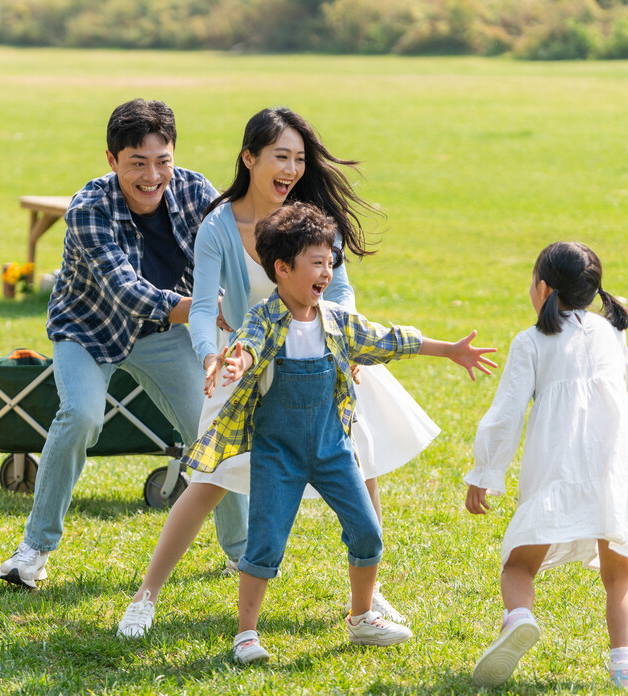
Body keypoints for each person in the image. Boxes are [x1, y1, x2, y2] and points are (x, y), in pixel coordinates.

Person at [117, 107, 439, 638]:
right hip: (246, 366)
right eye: (280, 157)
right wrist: (209, 356)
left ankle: (368, 593)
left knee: (364, 461)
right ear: (249, 158)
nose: (291, 168)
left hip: (322, 358)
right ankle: (145, 597)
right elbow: (202, 307)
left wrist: (351, 350)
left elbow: (339, 291)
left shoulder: (310, 221)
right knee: (206, 482)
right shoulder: (219, 226)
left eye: (299, 158)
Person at [189, 202, 497, 663]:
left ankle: (360, 618)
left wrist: (448, 350)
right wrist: (237, 361)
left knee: (368, 531)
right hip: (279, 453)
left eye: (330, 262)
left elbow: (390, 339)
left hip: (333, 449)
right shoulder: (265, 317)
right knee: (265, 543)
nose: (327, 271)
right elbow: (249, 345)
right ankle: (246, 634)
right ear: (282, 268)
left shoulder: (336, 320)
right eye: (317, 262)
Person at [0, 99, 248, 588]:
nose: (152, 175)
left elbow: (239, 247)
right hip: (89, 329)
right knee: (81, 416)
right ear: (112, 161)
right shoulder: (88, 207)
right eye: (137, 163)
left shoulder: (197, 190)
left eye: (162, 161)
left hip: (165, 333)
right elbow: (127, 291)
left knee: (215, 422)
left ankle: (243, 552)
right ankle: (34, 550)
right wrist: (206, 309)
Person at [463, 242, 628, 690]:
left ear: (543, 288)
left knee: (517, 566)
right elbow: (625, 379)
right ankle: (627, 666)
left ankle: (519, 618)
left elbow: (506, 415)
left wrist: (485, 475)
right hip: (614, 468)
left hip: (558, 468)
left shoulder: (530, 341)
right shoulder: (610, 333)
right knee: (621, 572)